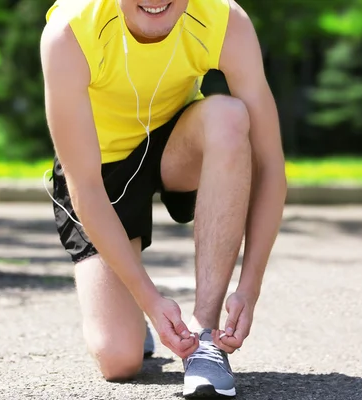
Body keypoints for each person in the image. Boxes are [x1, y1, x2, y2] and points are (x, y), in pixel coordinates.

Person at [40, 0, 286, 397]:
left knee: (228, 116)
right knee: (119, 360)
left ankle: (205, 343)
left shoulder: (224, 20)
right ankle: (136, 320)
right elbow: (84, 184)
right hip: (102, 173)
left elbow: (271, 165)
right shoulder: (69, 31)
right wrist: (149, 299)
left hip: (177, 145)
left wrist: (250, 286)